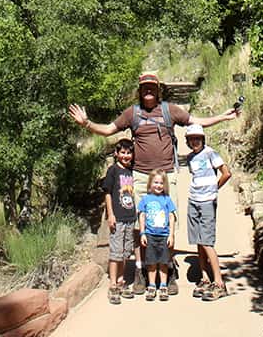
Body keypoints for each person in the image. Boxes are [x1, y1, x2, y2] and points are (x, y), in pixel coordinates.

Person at [69, 70, 237, 295]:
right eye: (144, 87)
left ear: (158, 90)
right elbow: (109, 129)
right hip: (139, 176)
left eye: (152, 87)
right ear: (140, 91)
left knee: (167, 222)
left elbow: (197, 122)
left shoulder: (170, 111)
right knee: (141, 227)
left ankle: (167, 270)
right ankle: (141, 270)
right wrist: (86, 123)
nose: (148, 90)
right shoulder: (133, 113)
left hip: (167, 175)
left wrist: (223, 117)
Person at [185, 122, 231, 301]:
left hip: (207, 201)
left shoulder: (210, 153)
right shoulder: (190, 158)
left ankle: (219, 282)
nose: (195, 142)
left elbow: (226, 173)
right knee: (198, 238)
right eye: (191, 139)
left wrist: (214, 189)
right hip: (194, 199)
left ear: (202, 139)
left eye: (197, 138)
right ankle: (204, 277)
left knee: (206, 240)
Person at [101, 138, 137, 305]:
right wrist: (111, 214)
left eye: (128, 152)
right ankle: (113, 284)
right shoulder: (113, 171)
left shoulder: (131, 172)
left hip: (130, 217)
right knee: (116, 252)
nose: (125, 155)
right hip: (118, 217)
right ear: (116, 154)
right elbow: (107, 193)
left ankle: (122, 281)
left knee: (125, 251)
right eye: (122, 152)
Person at [137, 169, 177, 301]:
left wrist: (171, 235)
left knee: (163, 262)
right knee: (152, 262)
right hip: (150, 235)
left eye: (161, 183)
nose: (158, 185)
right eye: (155, 182)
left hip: (164, 235)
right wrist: (142, 233)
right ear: (150, 184)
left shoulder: (167, 199)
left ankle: (163, 285)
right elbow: (142, 216)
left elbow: (171, 217)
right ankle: (152, 285)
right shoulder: (146, 199)